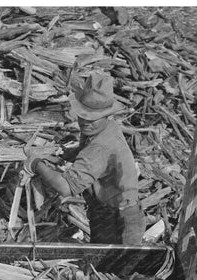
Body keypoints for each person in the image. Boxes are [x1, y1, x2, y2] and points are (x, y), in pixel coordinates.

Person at [24, 72, 146, 245]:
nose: (86, 122)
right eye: (83, 116)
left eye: (93, 118)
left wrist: (36, 164)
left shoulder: (100, 147)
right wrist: (63, 155)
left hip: (119, 220)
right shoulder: (104, 128)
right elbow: (89, 151)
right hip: (108, 212)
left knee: (113, 269)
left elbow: (65, 188)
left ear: (106, 115)